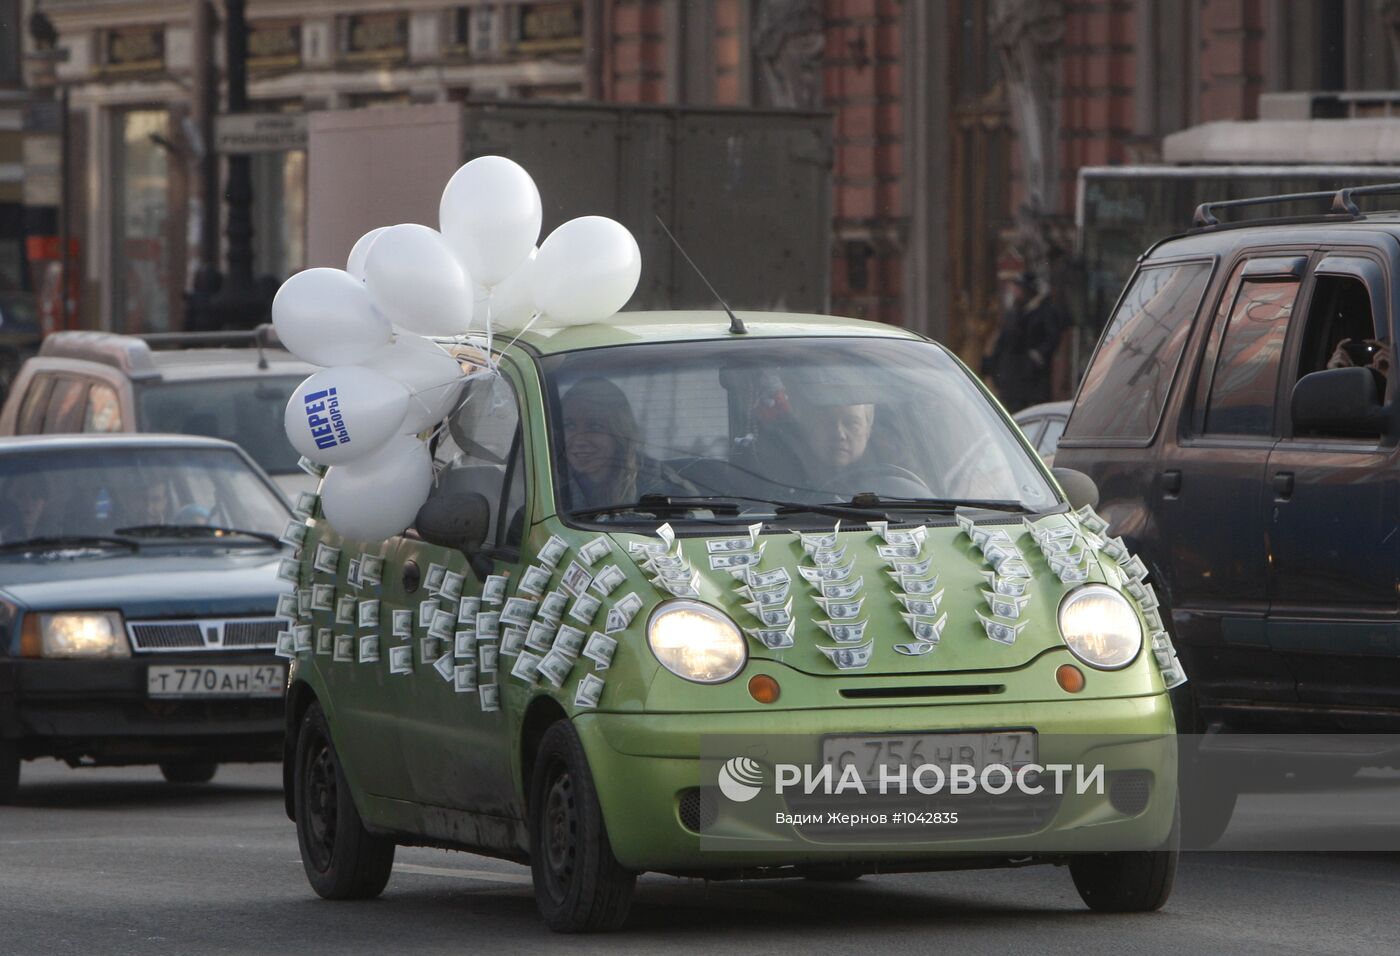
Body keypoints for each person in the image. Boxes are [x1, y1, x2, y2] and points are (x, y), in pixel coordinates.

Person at [560, 378, 694, 510]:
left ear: (619, 433)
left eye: (595, 427)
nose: (579, 440)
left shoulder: (660, 484)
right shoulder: (548, 482)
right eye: (569, 426)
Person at [982, 271, 1064, 412]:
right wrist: (990, 365)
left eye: (1019, 288)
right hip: (1010, 381)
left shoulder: (1044, 311)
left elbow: (1052, 338)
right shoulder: (1014, 311)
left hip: (1033, 382)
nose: (1016, 292)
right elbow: (1003, 342)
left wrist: (1036, 356)